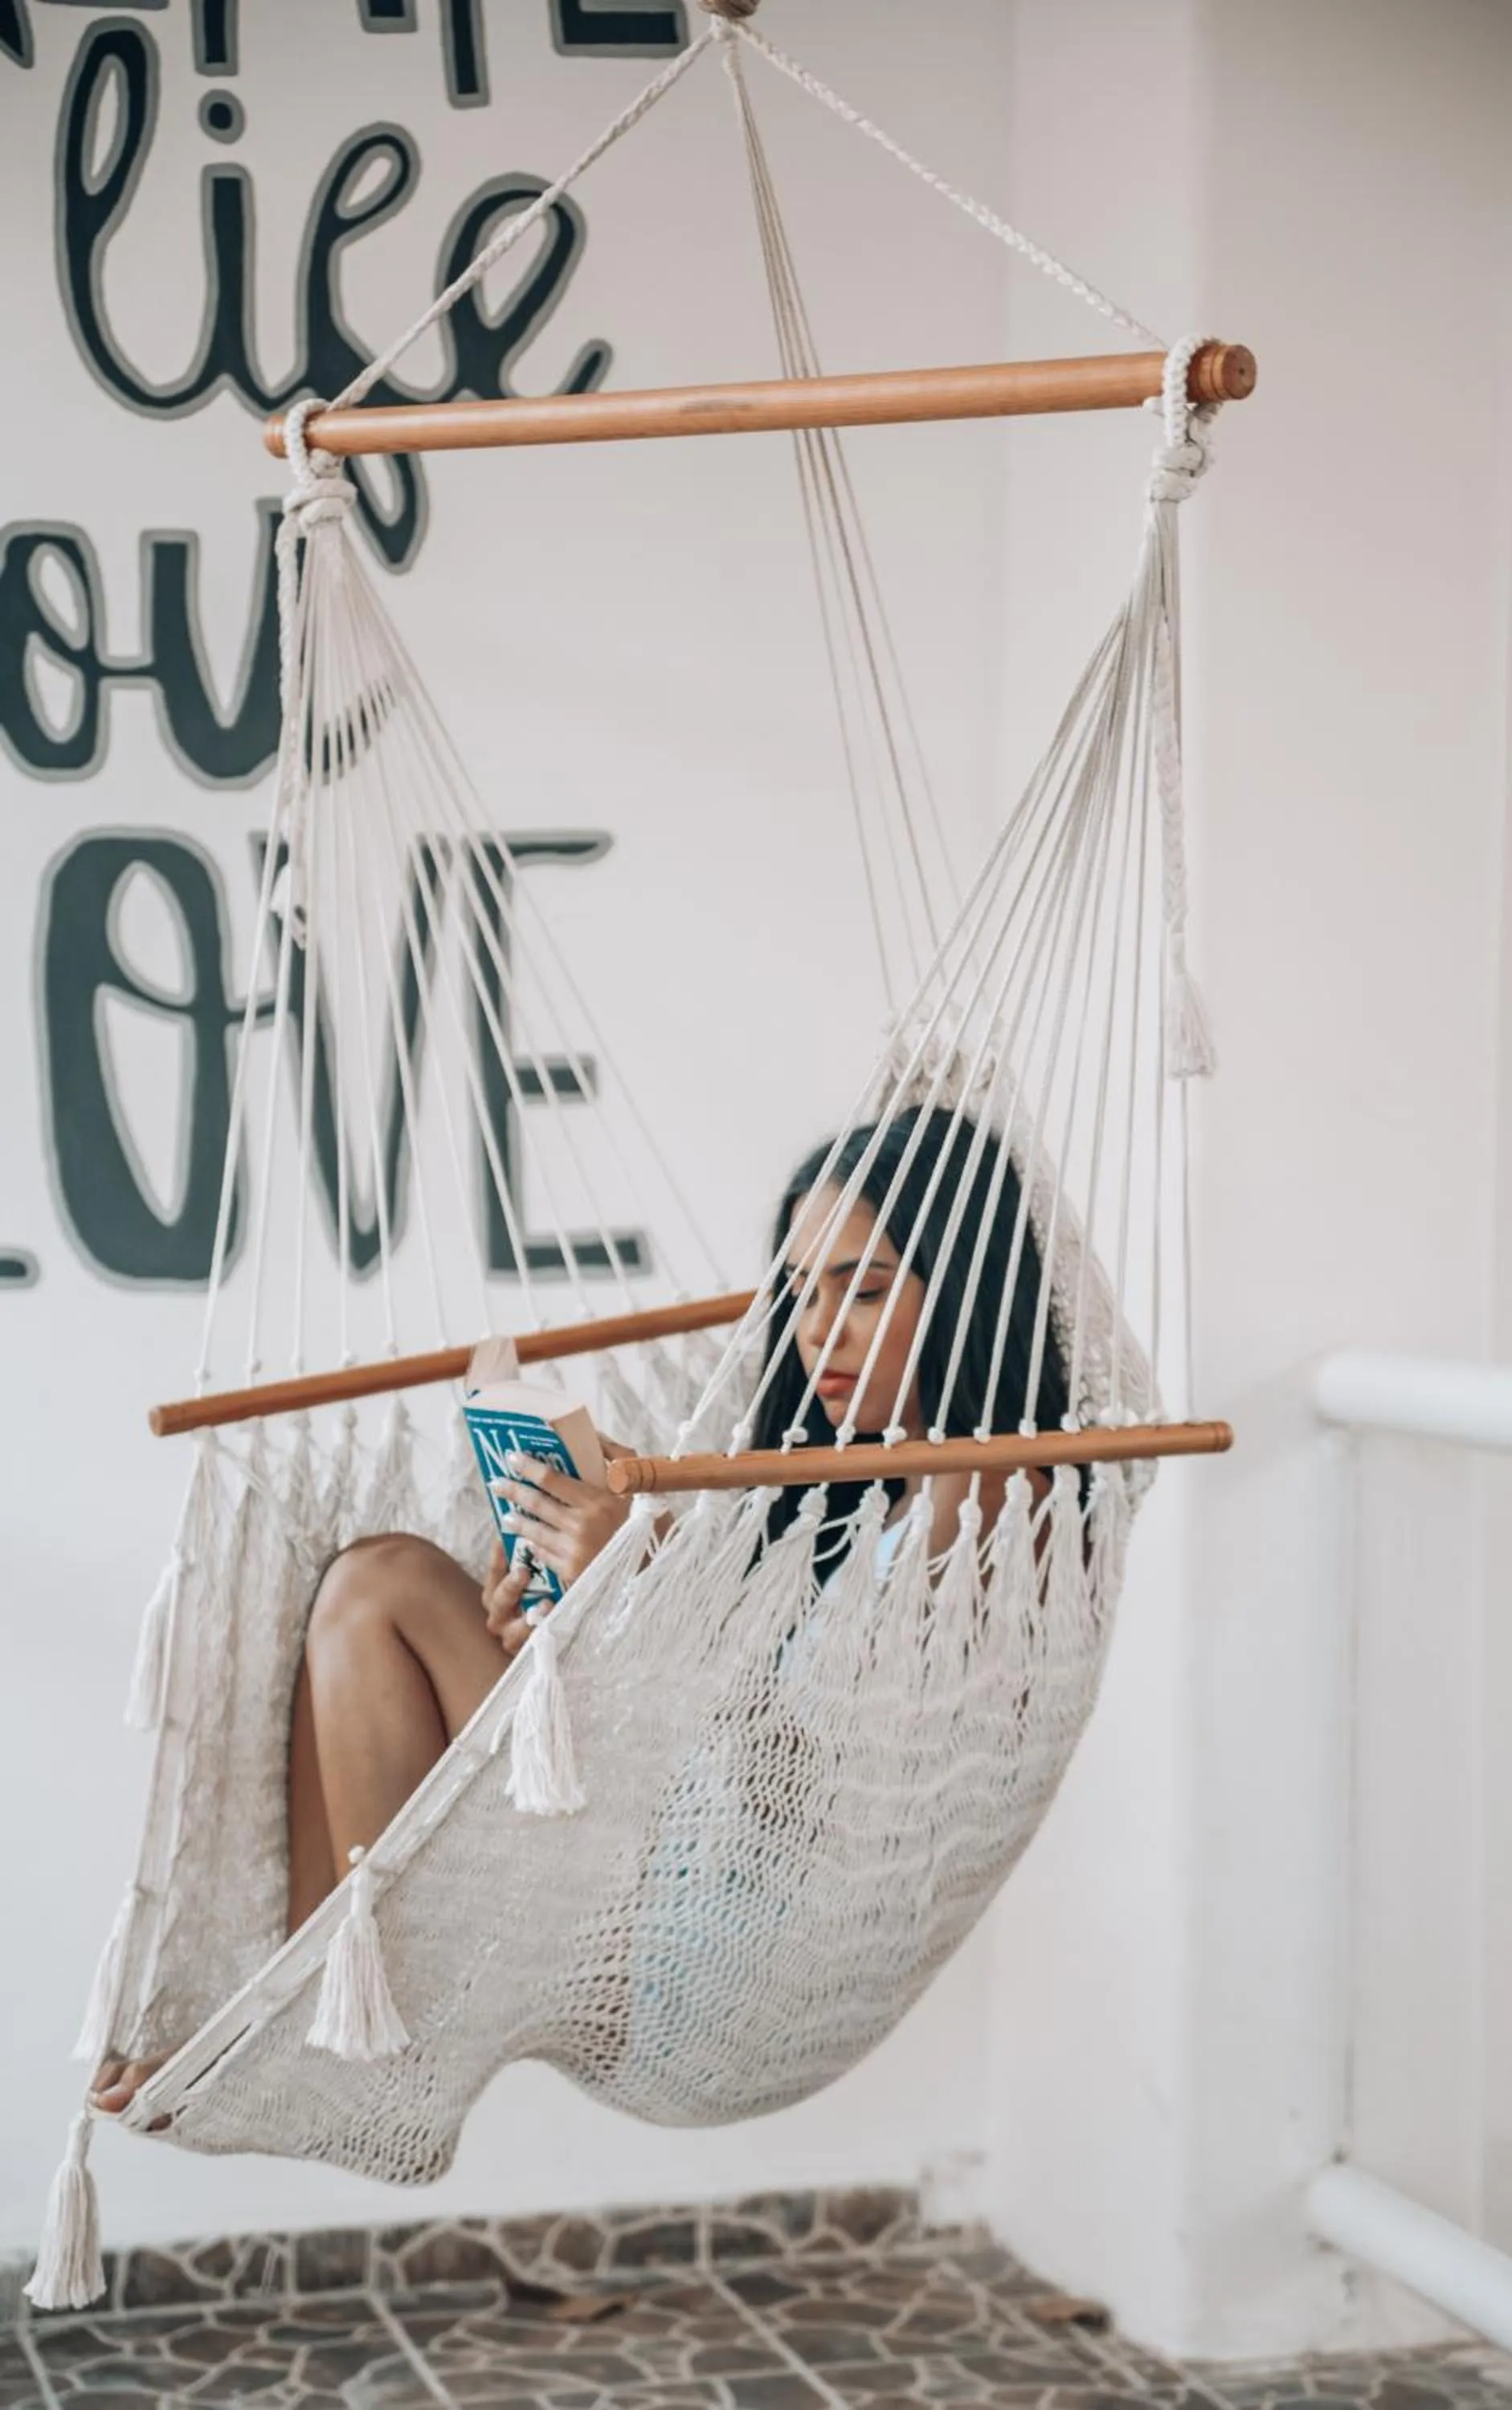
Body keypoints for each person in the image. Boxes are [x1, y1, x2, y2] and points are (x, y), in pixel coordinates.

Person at [90, 1106, 1067, 2115]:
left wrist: (652, 1584)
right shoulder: (851, 1492)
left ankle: (328, 2037)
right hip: (659, 1855)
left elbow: (816, 1771)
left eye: (861, 1290)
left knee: (386, 1590)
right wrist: (577, 1618)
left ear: (962, 1290)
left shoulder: (989, 1489)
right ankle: (307, 2003)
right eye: (799, 1292)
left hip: (727, 1941)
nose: (817, 1330)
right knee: (373, 1585)